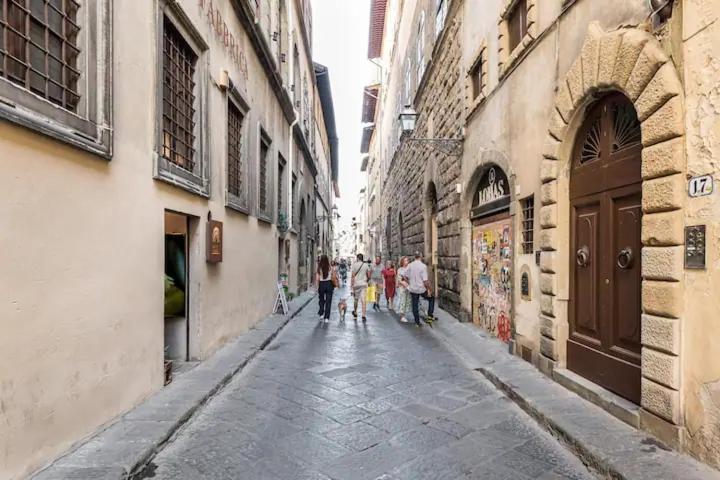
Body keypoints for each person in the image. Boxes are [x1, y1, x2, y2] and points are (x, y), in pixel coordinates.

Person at [407, 251, 435, 327]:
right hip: (421, 288)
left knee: (414, 305)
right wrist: (429, 289)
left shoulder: (410, 265)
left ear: (414, 256)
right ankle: (430, 315)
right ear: (421, 256)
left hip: (413, 288)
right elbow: (425, 281)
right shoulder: (423, 266)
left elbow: (405, 276)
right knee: (431, 298)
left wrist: (409, 283)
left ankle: (417, 322)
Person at [316, 255, 337, 323]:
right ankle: (326, 318)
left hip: (322, 284)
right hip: (329, 284)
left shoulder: (319, 268)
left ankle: (321, 314)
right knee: (328, 301)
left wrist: (317, 287)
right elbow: (333, 277)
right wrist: (335, 284)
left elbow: (317, 279)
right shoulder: (330, 267)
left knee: (321, 300)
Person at [350, 253, 370, 323]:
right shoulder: (366, 265)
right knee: (363, 300)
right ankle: (363, 316)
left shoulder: (354, 265)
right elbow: (369, 275)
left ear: (358, 258)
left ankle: (355, 313)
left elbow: (352, 276)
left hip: (356, 284)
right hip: (364, 284)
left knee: (356, 299)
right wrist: (366, 281)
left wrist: (351, 286)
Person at [395, 257, 412, 323]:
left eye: (407, 260)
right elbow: (399, 279)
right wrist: (403, 283)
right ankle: (402, 316)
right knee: (402, 300)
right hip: (402, 288)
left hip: (408, 287)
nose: (406, 262)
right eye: (405, 260)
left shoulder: (409, 269)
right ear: (402, 262)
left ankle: (404, 313)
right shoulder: (400, 269)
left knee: (407, 301)